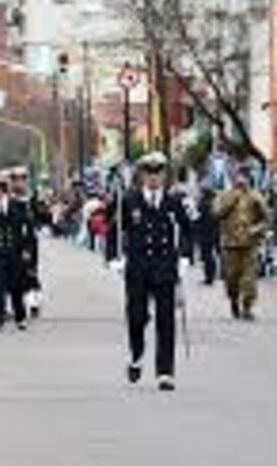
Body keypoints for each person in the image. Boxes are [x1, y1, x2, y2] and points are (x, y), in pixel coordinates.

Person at [118, 151, 192, 391]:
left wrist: (184, 257)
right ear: (141, 174)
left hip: (164, 266)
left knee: (166, 320)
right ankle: (137, 355)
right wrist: (114, 258)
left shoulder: (174, 202)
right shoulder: (130, 200)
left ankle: (165, 372)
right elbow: (114, 230)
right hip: (138, 267)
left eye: (158, 172)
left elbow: (188, 231)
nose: (153, 177)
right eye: (149, 172)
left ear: (164, 175)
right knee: (136, 318)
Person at [0, 176, 34, 332]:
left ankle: (20, 316)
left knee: (16, 286)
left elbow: (27, 231)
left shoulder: (18, 206)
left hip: (14, 252)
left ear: (3, 190)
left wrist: (27, 250)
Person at [213, 164, 268, 321]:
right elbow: (216, 213)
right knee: (231, 278)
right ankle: (234, 301)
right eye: (238, 175)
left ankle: (247, 307)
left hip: (249, 244)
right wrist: (231, 200)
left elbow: (266, 219)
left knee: (249, 278)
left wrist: (256, 230)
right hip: (230, 244)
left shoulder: (256, 196)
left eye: (244, 175)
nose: (241, 179)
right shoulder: (225, 195)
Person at [8, 167, 43, 317]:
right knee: (15, 271)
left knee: (31, 268)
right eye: (16, 179)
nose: (19, 182)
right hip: (13, 241)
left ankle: (33, 298)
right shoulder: (8, 200)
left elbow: (40, 216)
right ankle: (16, 300)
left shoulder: (31, 199)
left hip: (30, 239)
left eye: (22, 179)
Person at [194, 184, 220, 286]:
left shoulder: (203, 204)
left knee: (207, 256)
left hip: (205, 234)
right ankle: (213, 275)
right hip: (215, 232)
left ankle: (209, 277)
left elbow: (197, 218)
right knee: (215, 254)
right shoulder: (215, 204)